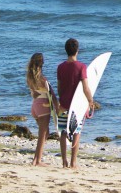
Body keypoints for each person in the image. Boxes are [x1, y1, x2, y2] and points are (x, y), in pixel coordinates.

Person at [56, 38, 93, 168]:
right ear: (77, 50)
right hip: (77, 106)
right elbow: (85, 88)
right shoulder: (81, 67)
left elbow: (59, 88)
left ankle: (64, 161)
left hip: (64, 104)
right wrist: (90, 101)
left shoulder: (60, 67)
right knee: (76, 132)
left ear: (66, 51)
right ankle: (73, 162)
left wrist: (62, 98)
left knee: (63, 132)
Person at [26, 52, 54, 166]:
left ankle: (38, 157)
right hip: (43, 106)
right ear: (41, 63)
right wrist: (56, 107)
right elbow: (50, 95)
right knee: (42, 134)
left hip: (35, 106)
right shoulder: (42, 79)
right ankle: (36, 160)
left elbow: (34, 94)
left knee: (46, 132)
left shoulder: (29, 78)